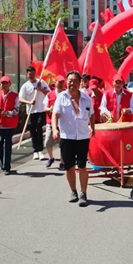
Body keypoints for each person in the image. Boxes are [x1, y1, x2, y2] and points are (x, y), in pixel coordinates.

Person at [52, 71, 95, 207]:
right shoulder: (61, 97)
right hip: (67, 137)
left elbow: (92, 114)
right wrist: (54, 129)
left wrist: (93, 127)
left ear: (80, 82)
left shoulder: (86, 98)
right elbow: (55, 114)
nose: (72, 83)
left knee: (82, 166)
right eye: (70, 81)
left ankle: (83, 193)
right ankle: (73, 191)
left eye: (75, 80)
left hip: (82, 137)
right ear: (66, 82)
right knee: (69, 166)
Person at [19, 66, 50, 160]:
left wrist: (40, 89)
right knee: (33, 130)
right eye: (29, 74)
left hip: (41, 110)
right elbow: (20, 99)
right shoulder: (25, 86)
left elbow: (49, 93)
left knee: (39, 127)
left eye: (32, 73)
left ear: (35, 73)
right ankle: (35, 151)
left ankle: (40, 151)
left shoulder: (41, 82)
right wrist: (29, 102)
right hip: (31, 112)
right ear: (27, 74)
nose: (30, 75)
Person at [0, 76, 20, 175]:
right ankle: (4, 163)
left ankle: (6, 167)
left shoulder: (14, 96)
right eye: (2, 83)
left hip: (9, 125)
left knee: (7, 145)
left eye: (6, 83)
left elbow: (17, 110)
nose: (4, 85)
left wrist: (7, 113)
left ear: (9, 84)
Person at [44, 75, 66, 170]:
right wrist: (50, 109)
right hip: (50, 122)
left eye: (62, 82)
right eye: (59, 82)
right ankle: (51, 157)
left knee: (62, 143)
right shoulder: (49, 94)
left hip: (63, 122)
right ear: (55, 82)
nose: (60, 84)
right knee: (48, 142)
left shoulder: (66, 94)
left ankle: (62, 162)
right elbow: (45, 107)